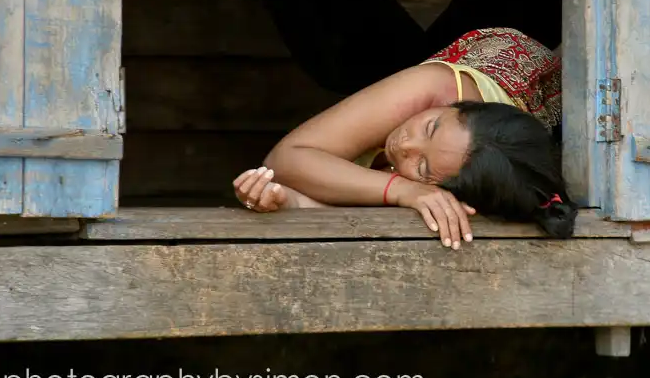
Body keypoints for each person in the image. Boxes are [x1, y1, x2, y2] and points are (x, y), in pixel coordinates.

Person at [233, 27, 577, 249]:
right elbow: (285, 159)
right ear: (453, 106)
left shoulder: (473, 178)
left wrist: (288, 202)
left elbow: (335, 200)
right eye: (430, 128)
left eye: (423, 167)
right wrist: (403, 189)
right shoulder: (429, 89)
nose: (404, 145)